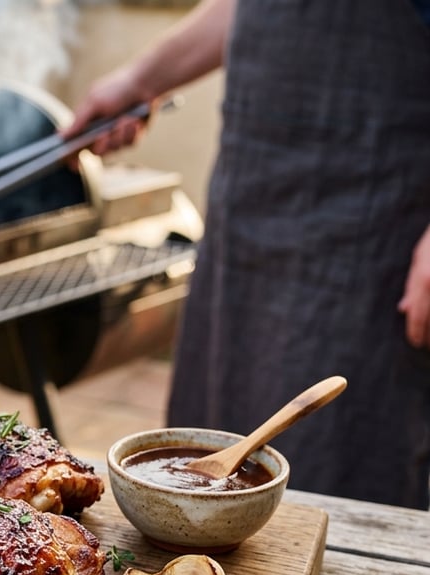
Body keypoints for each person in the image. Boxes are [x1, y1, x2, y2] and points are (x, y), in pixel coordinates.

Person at [63, 0, 430, 510]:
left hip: (375, 211)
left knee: (341, 452)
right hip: (252, 191)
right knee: (214, 414)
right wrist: (142, 80)